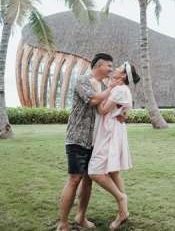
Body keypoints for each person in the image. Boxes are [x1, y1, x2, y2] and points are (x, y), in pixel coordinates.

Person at [57, 53, 124, 231]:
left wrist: (121, 112)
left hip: (95, 140)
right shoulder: (83, 80)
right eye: (109, 66)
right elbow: (94, 100)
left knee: (88, 180)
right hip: (77, 138)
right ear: (98, 66)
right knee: (74, 179)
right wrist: (111, 89)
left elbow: (106, 109)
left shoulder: (103, 85)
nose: (111, 69)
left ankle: (81, 217)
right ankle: (63, 223)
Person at [88, 62, 139, 229]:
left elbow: (102, 110)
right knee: (113, 171)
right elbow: (124, 111)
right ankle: (123, 212)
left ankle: (121, 197)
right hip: (114, 129)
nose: (115, 68)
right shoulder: (123, 90)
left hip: (109, 131)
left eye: (119, 68)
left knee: (95, 171)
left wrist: (97, 90)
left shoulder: (118, 90)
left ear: (123, 75)